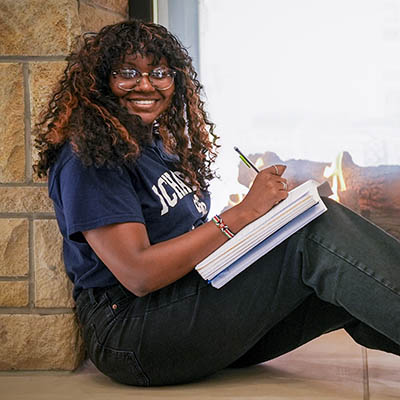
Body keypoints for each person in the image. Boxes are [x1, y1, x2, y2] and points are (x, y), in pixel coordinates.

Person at [34, 19, 400, 387]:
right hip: (131, 332)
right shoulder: (90, 157)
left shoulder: (155, 146)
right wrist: (242, 214)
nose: (145, 84)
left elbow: (189, 243)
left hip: (185, 302)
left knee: (343, 278)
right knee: (316, 232)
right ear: (101, 80)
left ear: (174, 80)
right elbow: (139, 274)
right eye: (128, 72)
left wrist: (265, 223)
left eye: (159, 72)